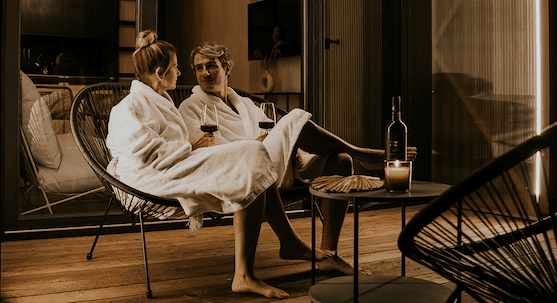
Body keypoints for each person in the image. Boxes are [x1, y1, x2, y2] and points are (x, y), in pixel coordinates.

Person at [179, 41, 417, 276]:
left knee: (341, 161)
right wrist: (254, 144)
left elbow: (268, 133)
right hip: (241, 173)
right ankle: (364, 154)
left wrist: (282, 146)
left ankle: (329, 255)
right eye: (199, 68)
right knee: (294, 117)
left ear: (227, 68)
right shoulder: (191, 107)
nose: (205, 73)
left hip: (274, 165)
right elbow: (206, 154)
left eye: (211, 66)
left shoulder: (245, 103)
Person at [106, 31, 289, 299]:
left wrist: (190, 147)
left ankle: (253, 268)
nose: (180, 73)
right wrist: (190, 146)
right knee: (250, 153)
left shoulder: (159, 99)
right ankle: (256, 267)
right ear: (160, 72)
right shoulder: (128, 107)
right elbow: (144, 153)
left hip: (175, 164)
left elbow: (164, 145)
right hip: (151, 176)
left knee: (251, 157)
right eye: (176, 66)